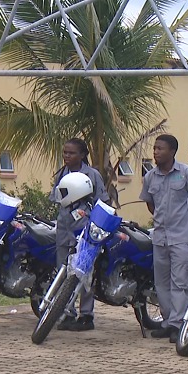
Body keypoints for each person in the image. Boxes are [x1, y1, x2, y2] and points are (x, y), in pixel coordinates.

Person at [140, 134, 188, 343]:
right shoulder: (150, 177)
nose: (156, 152)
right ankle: (168, 322)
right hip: (160, 237)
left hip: (182, 237)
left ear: (173, 151)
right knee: (162, 283)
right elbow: (150, 202)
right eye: (155, 148)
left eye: (161, 148)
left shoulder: (186, 174)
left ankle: (179, 323)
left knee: (181, 282)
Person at [50, 138, 109, 331]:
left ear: (82, 155)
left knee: (84, 273)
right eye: (65, 152)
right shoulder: (62, 175)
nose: (67, 156)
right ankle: (66, 312)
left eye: (72, 153)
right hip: (64, 229)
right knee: (63, 272)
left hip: (85, 230)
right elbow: (56, 199)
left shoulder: (92, 175)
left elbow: (102, 203)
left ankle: (86, 315)